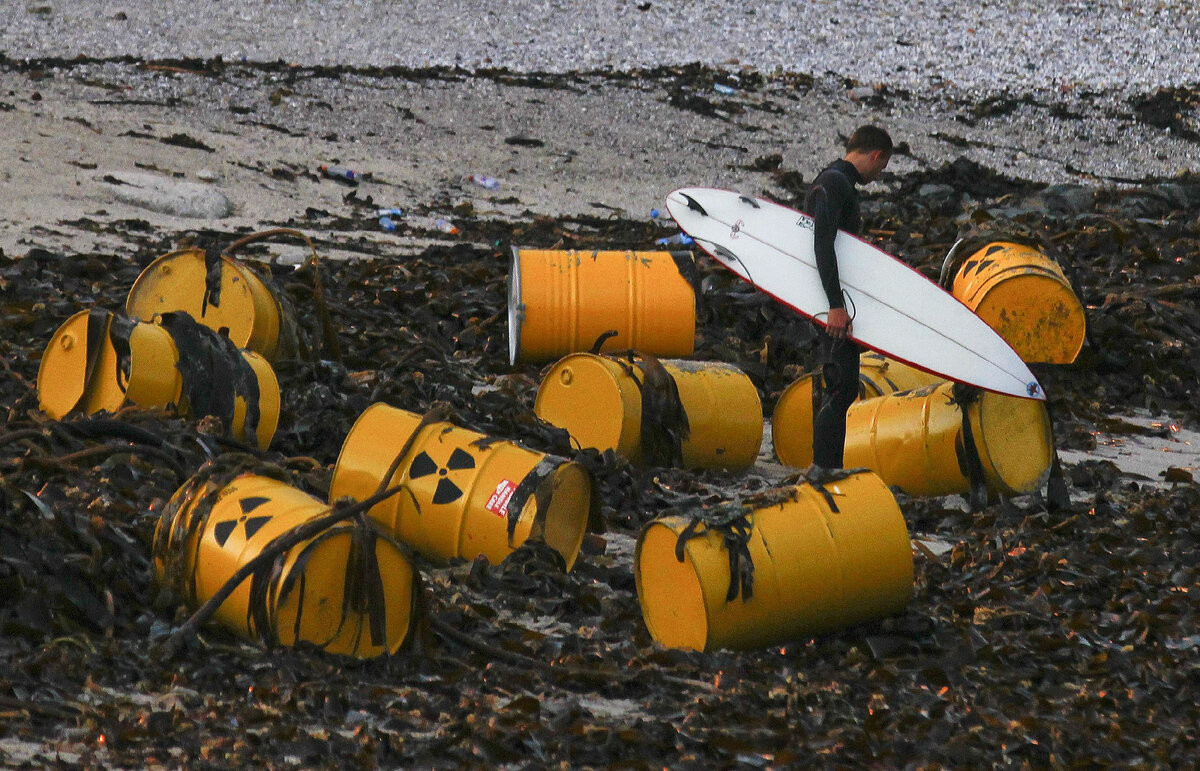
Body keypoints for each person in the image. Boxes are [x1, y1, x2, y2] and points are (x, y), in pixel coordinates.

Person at [805, 125, 893, 469]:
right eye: (882, 167)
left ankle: (826, 466)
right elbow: (822, 243)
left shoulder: (834, 180)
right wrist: (835, 305)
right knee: (841, 387)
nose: (879, 174)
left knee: (840, 385)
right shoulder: (834, 182)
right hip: (831, 303)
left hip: (829, 298)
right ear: (876, 155)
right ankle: (823, 470)